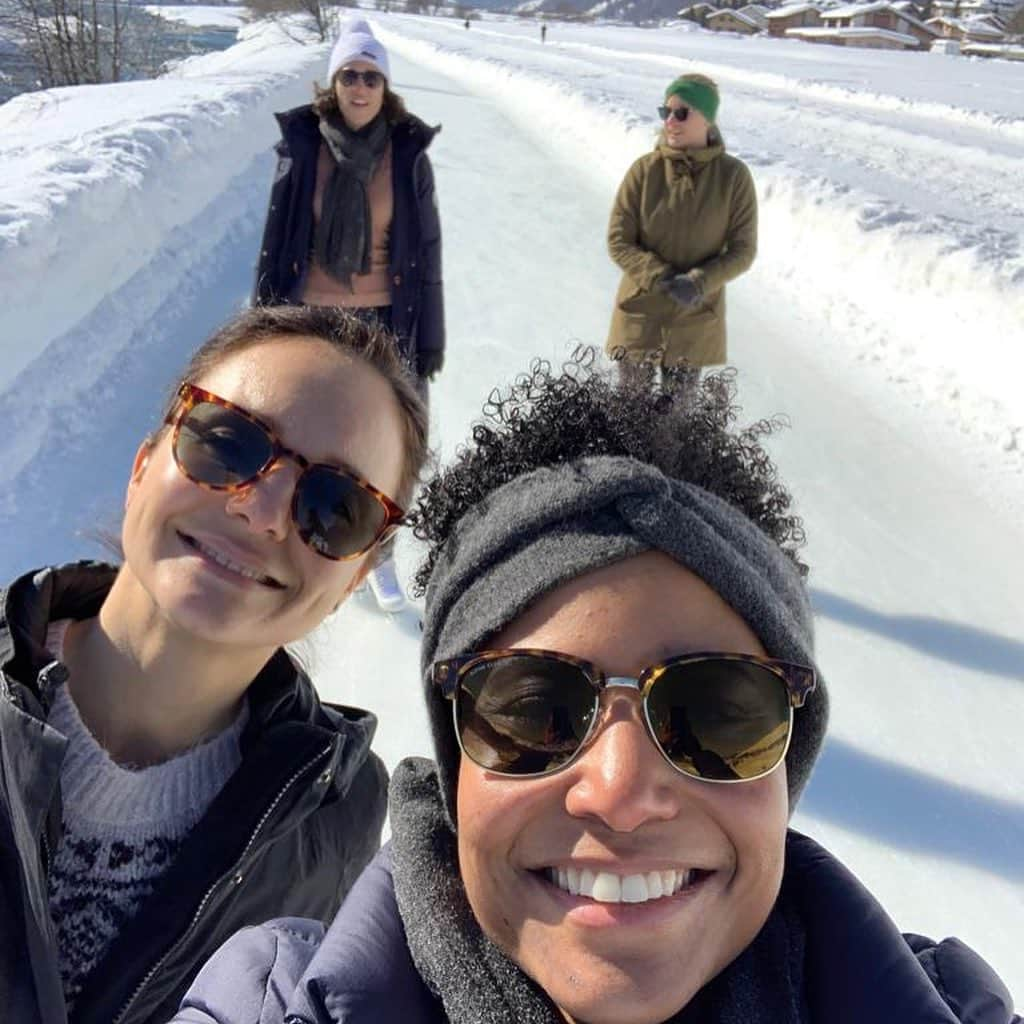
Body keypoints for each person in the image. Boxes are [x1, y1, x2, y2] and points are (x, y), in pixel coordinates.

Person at [171, 355, 1018, 1024]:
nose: (619, 794)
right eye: (534, 710)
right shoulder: (273, 1002)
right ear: (457, 763)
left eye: (717, 713)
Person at [0, 304, 428, 1024]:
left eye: (335, 506)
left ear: (352, 581)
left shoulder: (334, 822)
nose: (261, 511)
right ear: (144, 465)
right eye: (227, 442)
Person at [252, 17, 445, 613]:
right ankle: (287, 547)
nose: (360, 86)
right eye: (350, 75)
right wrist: (260, 326)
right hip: (309, 316)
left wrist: (429, 337)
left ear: (385, 88)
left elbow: (427, 251)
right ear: (332, 83)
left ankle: (374, 557)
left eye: (371, 76)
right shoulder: (304, 148)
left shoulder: (407, 156)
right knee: (295, 438)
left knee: (382, 447)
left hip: (384, 322)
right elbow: (276, 236)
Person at [606, 74, 757, 398]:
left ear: (708, 120)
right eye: (666, 112)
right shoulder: (644, 171)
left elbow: (743, 250)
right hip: (639, 310)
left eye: (682, 113)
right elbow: (619, 241)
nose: (670, 121)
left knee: (675, 426)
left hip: (695, 317)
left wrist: (699, 282)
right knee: (627, 415)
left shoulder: (733, 177)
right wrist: (659, 275)